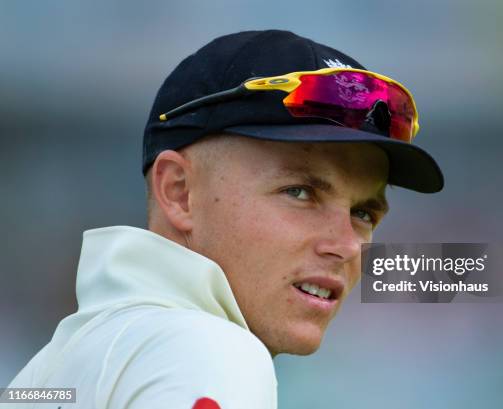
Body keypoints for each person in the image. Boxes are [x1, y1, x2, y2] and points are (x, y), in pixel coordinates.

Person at [6, 30, 443, 409]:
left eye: (363, 213)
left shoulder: (51, 367)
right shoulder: (210, 350)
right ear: (179, 192)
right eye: (300, 192)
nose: (347, 245)